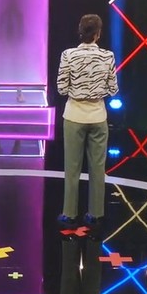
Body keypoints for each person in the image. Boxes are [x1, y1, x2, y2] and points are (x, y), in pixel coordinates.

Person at [56, 14, 118, 226]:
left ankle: (69, 213)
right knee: (98, 167)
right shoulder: (108, 56)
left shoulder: (68, 55)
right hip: (98, 116)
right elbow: (113, 89)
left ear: (80, 32)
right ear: (98, 34)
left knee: (72, 167)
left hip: (74, 116)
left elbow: (61, 88)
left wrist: (79, 90)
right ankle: (96, 214)